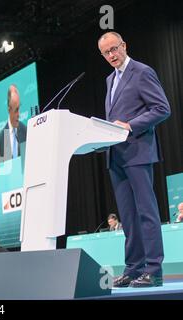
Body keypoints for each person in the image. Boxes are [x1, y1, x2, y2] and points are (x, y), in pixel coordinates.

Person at [98, 31, 171, 288]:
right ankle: (133, 268)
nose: (111, 55)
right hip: (115, 156)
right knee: (128, 217)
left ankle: (153, 269)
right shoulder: (109, 80)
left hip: (138, 153)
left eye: (114, 49)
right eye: (106, 53)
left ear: (124, 45)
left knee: (146, 213)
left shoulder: (142, 71)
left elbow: (162, 109)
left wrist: (129, 125)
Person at [0, 84, 28, 163]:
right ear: (9, 110)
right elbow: (2, 166)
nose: (19, 114)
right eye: (16, 110)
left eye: (19, 108)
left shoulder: (25, 130)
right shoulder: (2, 136)